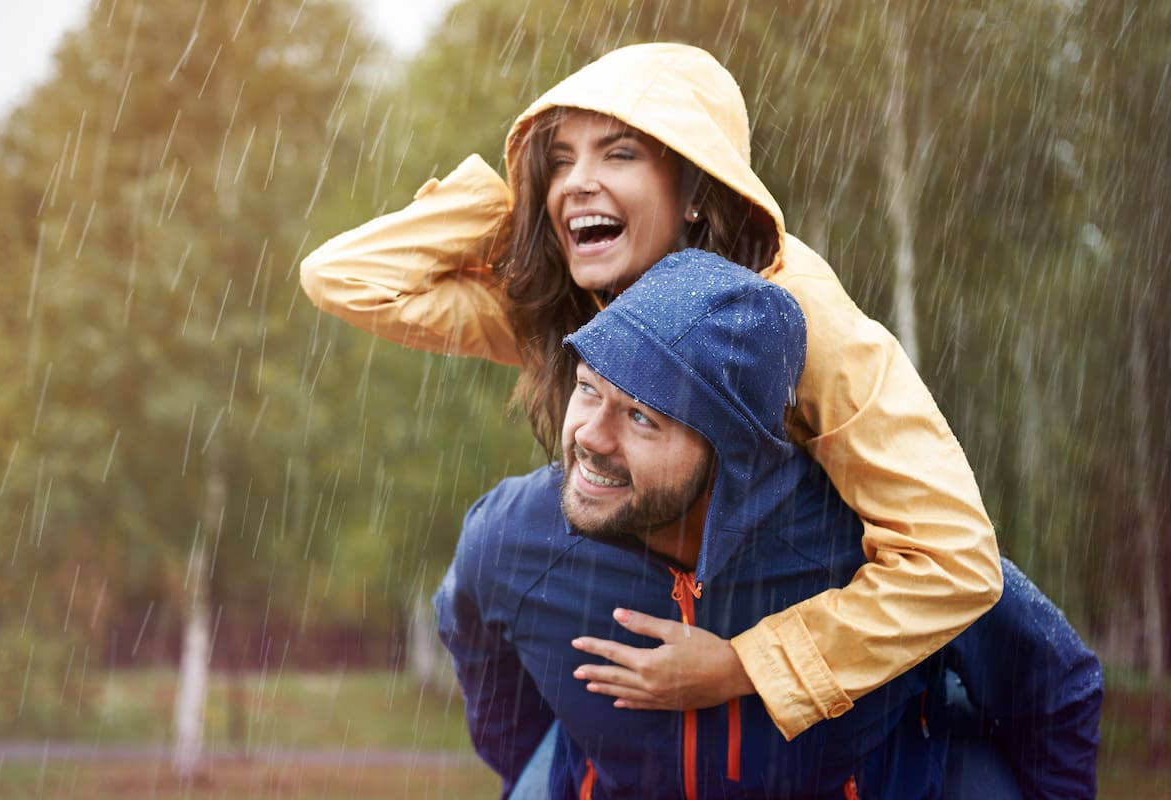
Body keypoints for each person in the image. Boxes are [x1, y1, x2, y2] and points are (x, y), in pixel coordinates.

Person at [301, 42, 1002, 738]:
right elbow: (346, 277)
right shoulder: (580, 304)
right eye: (561, 158)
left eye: (619, 153)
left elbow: (953, 562)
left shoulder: (806, 323)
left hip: (835, 728)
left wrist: (745, 666)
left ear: (696, 191)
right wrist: (522, 208)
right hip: (635, 688)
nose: (577, 179)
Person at [434, 251, 1102, 800]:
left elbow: (1056, 685)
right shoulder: (514, 537)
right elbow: (486, 672)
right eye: (589, 389)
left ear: (734, 454)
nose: (590, 438)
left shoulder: (879, 550)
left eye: (643, 418)